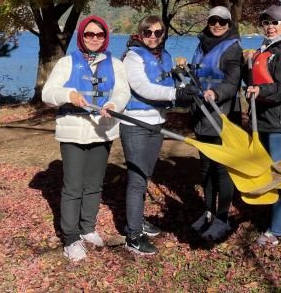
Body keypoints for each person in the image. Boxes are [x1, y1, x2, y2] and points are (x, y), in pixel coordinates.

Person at [41, 15, 131, 262]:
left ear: (105, 37)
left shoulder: (115, 64)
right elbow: (47, 93)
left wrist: (114, 103)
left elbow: (123, 91)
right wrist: (68, 94)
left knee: (94, 184)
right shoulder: (67, 63)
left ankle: (88, 228)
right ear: (82, 36)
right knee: (73, 186)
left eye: (99, 35)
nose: (94, 39)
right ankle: (71, 238)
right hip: (74, 130)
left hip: (102, 129)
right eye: (89, 34)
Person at [120, 15, 199, 255]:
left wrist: (183, 78)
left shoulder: (164, 56)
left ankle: (137, 219)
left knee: (146, 175)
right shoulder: (132, 57)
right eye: (147, 32)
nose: (152, 37)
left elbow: (169, 81)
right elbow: (143, 87)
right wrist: (175, 94)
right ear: (140, 33)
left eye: (158, 32)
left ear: (163, 34)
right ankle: (133, 235)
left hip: (157, 123)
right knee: (136, 179)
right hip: (135, 123)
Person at [243, 4, 281, 247]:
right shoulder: (266, 49)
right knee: (272, 171)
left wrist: (261, 90)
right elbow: (255, 78)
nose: (270, 26)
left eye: (275, 22)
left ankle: (278, 230)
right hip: (265, 119)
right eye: (266, 22)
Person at [187, 6, 243, 242]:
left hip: (222, 116)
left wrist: (216, 93)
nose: (217, 25)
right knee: (206, 168)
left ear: (229, 25)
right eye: (213, 21)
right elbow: (196, 74)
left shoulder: (233, 49)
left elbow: (233, 82)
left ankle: (223, 218)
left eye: (222, 22)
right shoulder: (202, 45)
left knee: (222, 170)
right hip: (201, 115)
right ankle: (208, 211)